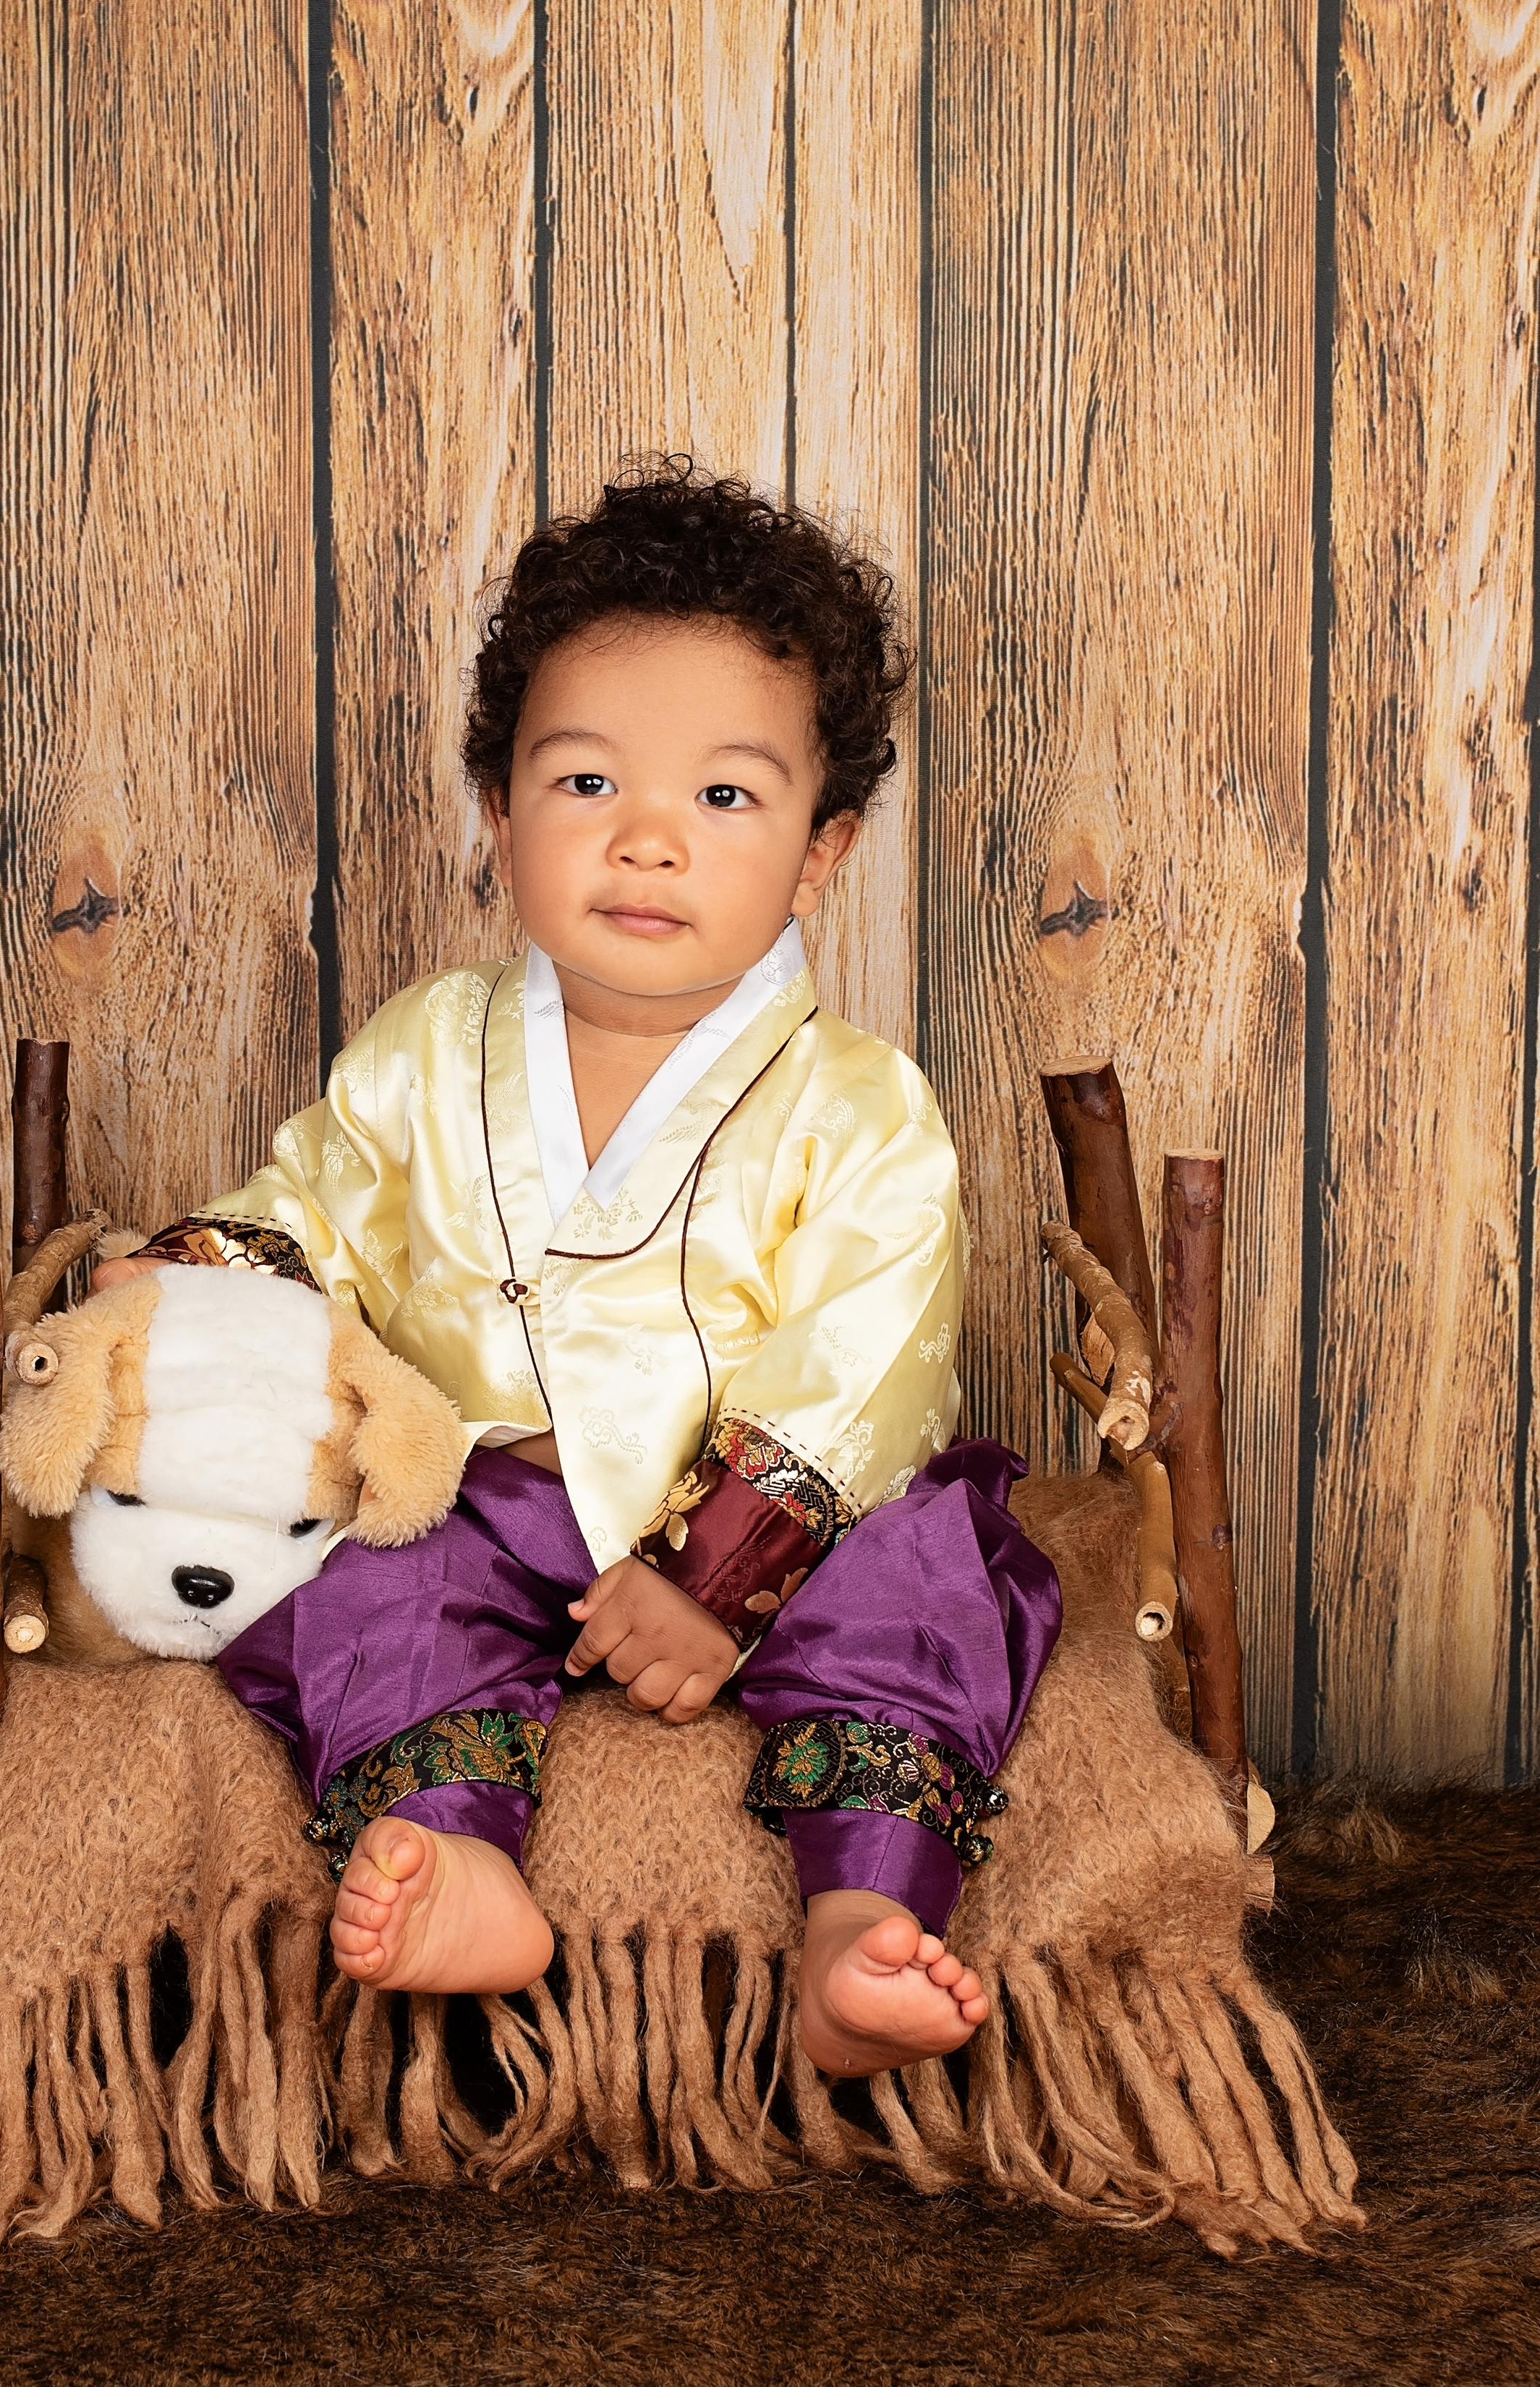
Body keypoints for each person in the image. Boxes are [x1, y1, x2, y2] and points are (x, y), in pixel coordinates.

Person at [95, 461, 1060, 2077]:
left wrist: (716, 1575)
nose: (649, 845)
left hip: (770, 1527)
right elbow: (311, 1209)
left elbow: (863, 1354)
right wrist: (189, 1276)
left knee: (929, 1581)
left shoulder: (857, 1106)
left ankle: (858, 1923)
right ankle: (449, 1851)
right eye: (587, 784)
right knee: (351, 1574)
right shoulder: (425, 1054)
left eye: (727, 800)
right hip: (484, 1495)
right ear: (498, 811)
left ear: (821, 851)